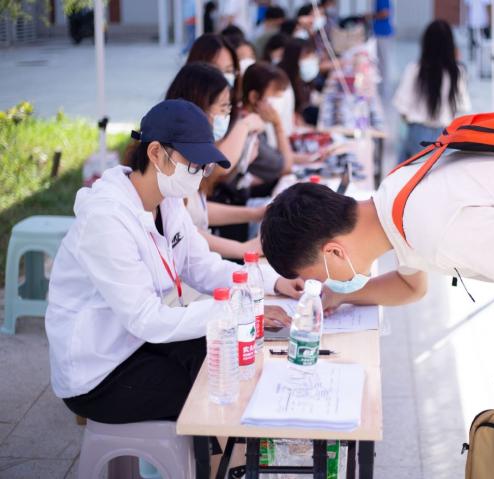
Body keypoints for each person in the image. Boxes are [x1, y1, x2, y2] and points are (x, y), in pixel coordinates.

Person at [260, 139, 494, 455]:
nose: (323, 284)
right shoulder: (393, 204)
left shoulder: (430, 227)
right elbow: (411, 287)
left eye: (318, 278)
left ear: (333, 251)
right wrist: (342, 296)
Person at [46, 99, 301, 425]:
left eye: (204, 167)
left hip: (139, 342)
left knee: (231, 358)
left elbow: (202, 267)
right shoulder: (106, 219)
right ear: (155, 153)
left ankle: (230, 445)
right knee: (217, 387)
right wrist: (240, 310)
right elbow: (146, 319)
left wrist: (272, 281)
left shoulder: (168, 202)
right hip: (99, 371)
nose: (199, 175)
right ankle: (222, 451)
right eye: (193, 165)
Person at [165, 62, 266, 259]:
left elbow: (197, 210)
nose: (226, 116)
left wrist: (254, 214)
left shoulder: (193, 150)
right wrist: (242, 248)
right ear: (199, 106)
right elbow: (184, 228)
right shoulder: (173, 157)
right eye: (223, 108)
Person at [393, 20, 471, 163]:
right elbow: (463, 107)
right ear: (450, 44)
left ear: (425, 44)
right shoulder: (457, 72)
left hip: (418, 135)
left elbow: (401, 106)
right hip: (447, 137)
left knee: (409, 170)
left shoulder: (415, 69)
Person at [277, 37, 320, 126]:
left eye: (312, 55)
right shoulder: (282, 83)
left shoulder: (301, 77)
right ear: (293, 58)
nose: (311, 59)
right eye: (306, 56)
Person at [370, 0, 393, 96]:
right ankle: (381, 87)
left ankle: (385, 89)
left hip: (383, 33)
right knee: (380, 61)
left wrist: (372, 16)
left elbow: (385, 13)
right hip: (379, 32)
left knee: (384, 62)